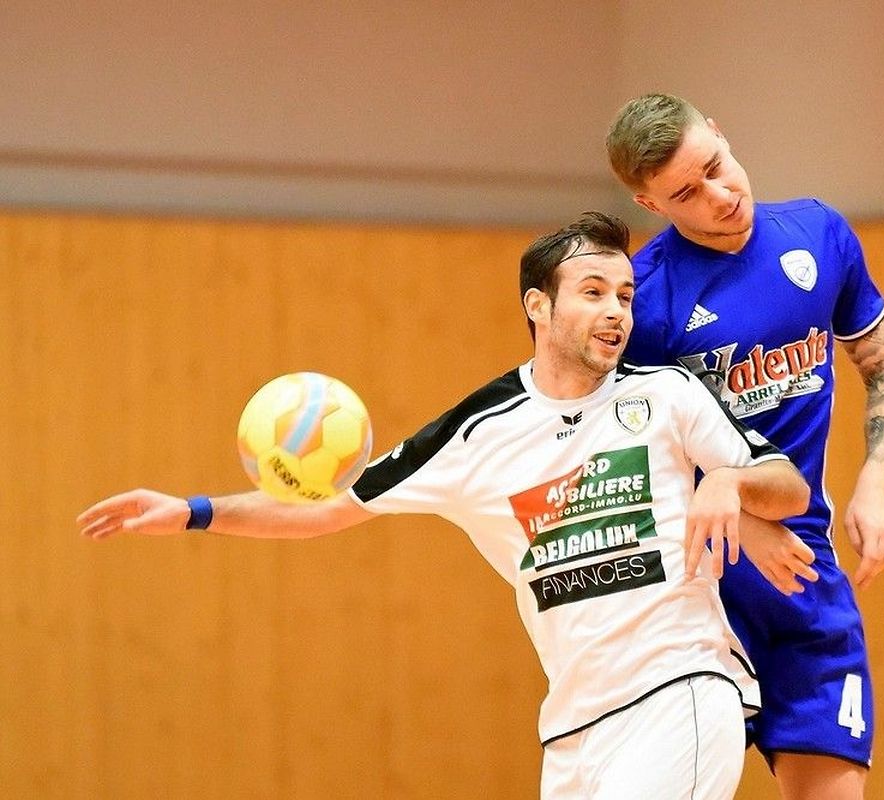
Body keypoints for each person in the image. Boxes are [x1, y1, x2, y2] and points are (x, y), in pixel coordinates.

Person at [76, 211, 818, 800]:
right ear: (538, 304)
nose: (615, 311)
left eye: (624, 295)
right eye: (592, 292)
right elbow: (329, 510)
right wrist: (194, 511)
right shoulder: (477, 430)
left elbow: (788, 487)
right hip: (574, 729)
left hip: (681, 690)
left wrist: (729, 482)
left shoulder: (664, 394)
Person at [606, 95, 884, 800]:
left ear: (718, 131)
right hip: (694, 596)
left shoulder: (818, 233)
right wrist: (744, 523)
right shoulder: (646, 303)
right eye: (686, 192)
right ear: (648, 200)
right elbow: (625, 462)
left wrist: (878, 479)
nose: (720, 197)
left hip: (805, 580)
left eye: (715, 168)